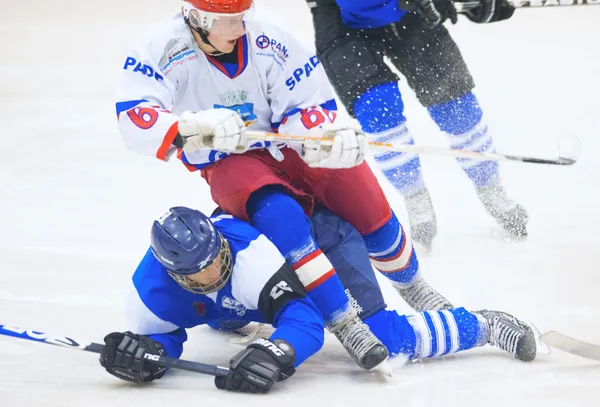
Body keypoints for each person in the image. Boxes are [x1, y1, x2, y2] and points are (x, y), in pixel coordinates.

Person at [115, 0, 453, 370]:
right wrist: (190, 128)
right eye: (225, 21)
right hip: (230, 161)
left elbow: (308, 104)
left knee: (361, 193)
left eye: (242, 17)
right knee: (282, 217)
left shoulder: (271, 34)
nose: (239, 29)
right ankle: (343, 320)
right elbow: (134, 117)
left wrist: (326, 136)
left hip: (290, 146)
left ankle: (415, 286)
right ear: (195, 17)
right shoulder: (160, 47)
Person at [99, 205, 537, 394]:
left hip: (319, 243)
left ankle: (484, 324)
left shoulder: (251, 256)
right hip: (267, 276)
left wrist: (278, 350)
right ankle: (239, 316)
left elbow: (306, 318)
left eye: (219, 256)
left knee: (383, 335)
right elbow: (162, 336)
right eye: (201, 271)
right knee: (223, 315)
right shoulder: (149, 289)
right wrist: (147, 353)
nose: (217, 269)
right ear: (174, 274)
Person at [307, 0, 526, 250]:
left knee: (455, 103)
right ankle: (414, 195)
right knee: (378, 106)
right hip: (344, 19)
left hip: (409, 12)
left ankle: (491, 188)